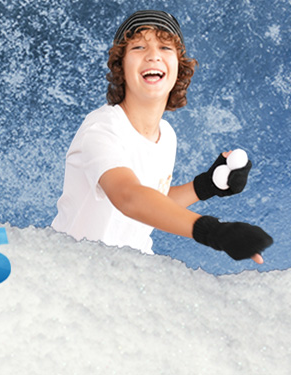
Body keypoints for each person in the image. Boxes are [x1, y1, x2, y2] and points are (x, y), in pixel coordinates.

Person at [51, 10, 272, 263]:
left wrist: (206, 186)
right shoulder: (101, 129)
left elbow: (153, 200)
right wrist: (213, 231)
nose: (153, 55)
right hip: (72, 274)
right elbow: (128, 196)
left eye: (165, 47)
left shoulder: (166, 136)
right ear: (120, 67)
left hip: (129, 273)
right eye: (139, 47)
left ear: (179, 67)